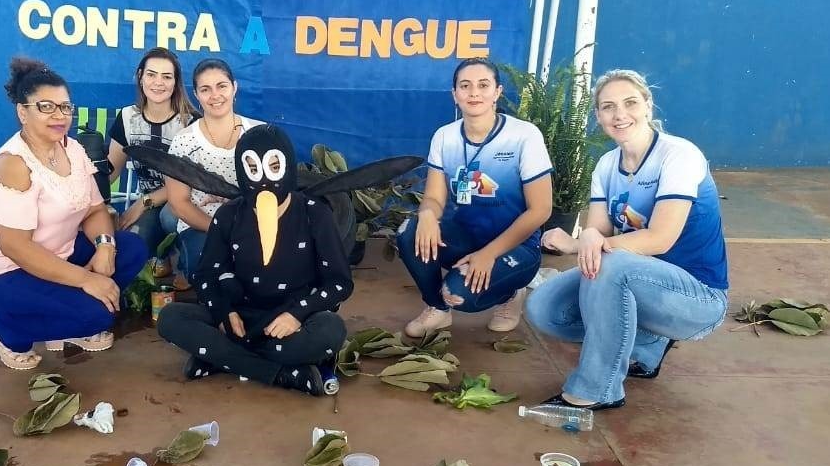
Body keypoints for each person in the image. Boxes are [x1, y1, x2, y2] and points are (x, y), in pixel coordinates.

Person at [130, 125, 419, 396]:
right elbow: (206, 275)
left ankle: (221, 357)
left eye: (274, 167)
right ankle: (284, 375)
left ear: (288, 167)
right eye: (253, 169)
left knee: (331, 331)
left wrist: (296, 315)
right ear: (241, 172)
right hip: (240, 314)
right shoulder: (229, 214)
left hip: (292, 318)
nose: (264, 179)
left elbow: (339, 283)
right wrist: (223, 313)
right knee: (171, 319)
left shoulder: (314, 214)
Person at [526, 69, 729, 409]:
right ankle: (648, 344)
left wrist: (580, 243)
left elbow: (660, 239)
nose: (620, 114)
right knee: (544, 308)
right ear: (598, 116)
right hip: (639, 281)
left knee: (611, 264)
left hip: (698, 297)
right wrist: (585, 237)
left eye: (630, 103)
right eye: (608, 107)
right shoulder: (607, 165)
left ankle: (596, 389)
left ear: (648, 106)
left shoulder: (679, 155)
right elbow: (599, 233)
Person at [0, 57, 147, 369]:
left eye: (65, 107)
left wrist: (105, 245)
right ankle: (6, 328)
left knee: (130, 248)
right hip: (6, 270)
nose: (59, 115)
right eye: (46, 106)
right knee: (97, 315)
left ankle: (67, 320)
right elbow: (15, 247)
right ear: (23, 111)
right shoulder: (13, 165)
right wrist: (85, 280)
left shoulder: (72, 148)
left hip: (58, 252)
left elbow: (94, 210)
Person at [398, 57, 553, 337]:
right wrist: (427, 215)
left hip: (516, 247)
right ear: (454, 95)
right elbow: (434, 196)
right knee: (409, 232)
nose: (474, 93)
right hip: (467, 237)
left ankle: (509, 295)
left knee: (458, 294)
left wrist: (488, 255)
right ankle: (437, 309)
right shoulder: (445, 137)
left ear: (497, 92)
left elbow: (541, 209)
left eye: (483, 85)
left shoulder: (523, 136)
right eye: (465, 86)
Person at [165, 58, 261, 285]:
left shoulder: (259, 134)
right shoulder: (183, 142)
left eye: (222, 86)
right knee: (208, 269)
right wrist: (222, 231)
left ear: (234, 87)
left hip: (253, 223)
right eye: (205, 89)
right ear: (196, 95)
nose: (215, 95)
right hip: (203, 225)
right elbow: (179, 204)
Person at [106, 48, 197, 276]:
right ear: (140, 76)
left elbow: (188, 180)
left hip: (185, 200)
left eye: (167, 76)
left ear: (176, 82)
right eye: (151, 74)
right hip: (150, 205)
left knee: (171, 215)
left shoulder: (190, 122)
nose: (158, 83)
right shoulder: (127, 117)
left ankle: (185, 267)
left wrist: (143, 202)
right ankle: (161, 256)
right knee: (133, 242)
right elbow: (112, 170)